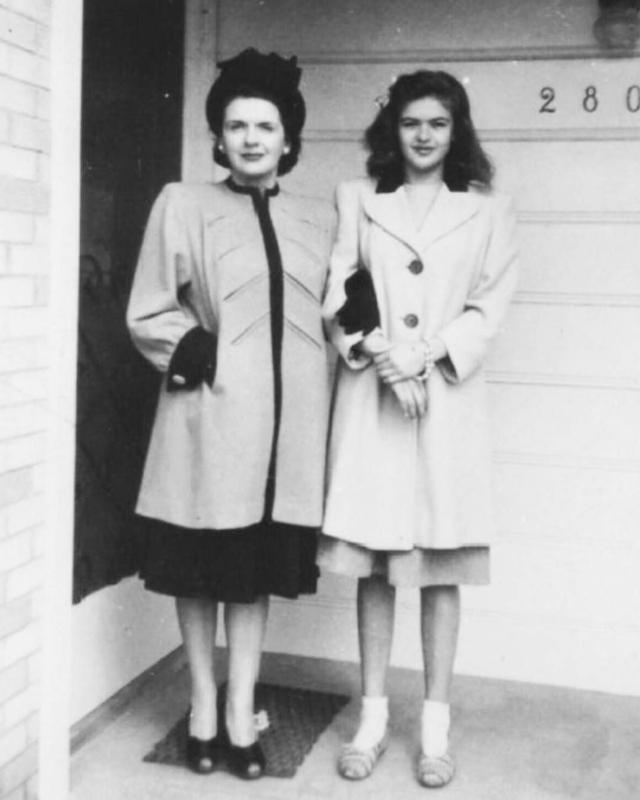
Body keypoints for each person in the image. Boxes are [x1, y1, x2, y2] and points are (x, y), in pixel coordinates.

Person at [127, 48, 334, 780]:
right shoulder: (182, 204)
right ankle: (203, 706)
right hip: (208, 421)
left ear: (288, 138)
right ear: (218, 135)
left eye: (265, 126)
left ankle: (242, 709)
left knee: (251, 575)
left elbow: (339, 303)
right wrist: (195, 348)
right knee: (198, 571)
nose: (250, 138)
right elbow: (149, 307)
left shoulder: (319, 217)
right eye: (237, 125)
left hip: (287, 437)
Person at [319, 70, 519, 789]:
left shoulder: (489, 210)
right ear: (392, 129)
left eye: (438, 122)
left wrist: (424, 355)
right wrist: (384, 358)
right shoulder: (358, 199)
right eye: (411, 122)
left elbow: (489, 304)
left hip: (445, 405)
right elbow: (342, 290)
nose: (424, 135)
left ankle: (435, 727)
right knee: (375, 566)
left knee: (438, 569)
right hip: (375, 400)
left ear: (456, 130)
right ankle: (372, 720)